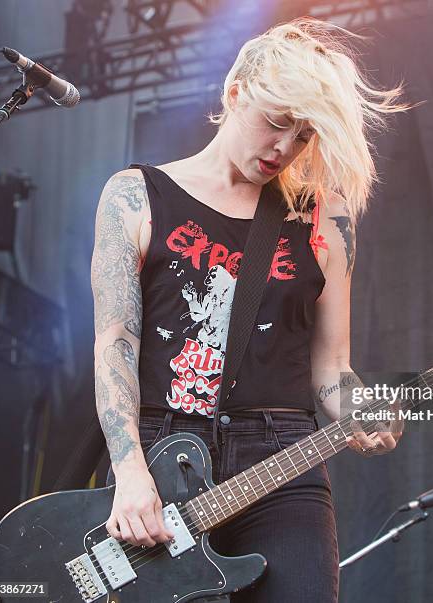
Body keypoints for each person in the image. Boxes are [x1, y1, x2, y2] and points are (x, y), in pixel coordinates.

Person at [91, 16, 408, 603]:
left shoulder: (325, 216)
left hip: (283, 462)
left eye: (304, 134)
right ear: (235, 92)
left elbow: (332, 371)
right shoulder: (136, 195)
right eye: (276, 123)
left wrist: (364, 411)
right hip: (162, 458)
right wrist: (129, 469)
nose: (285, 148)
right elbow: (115, 347)